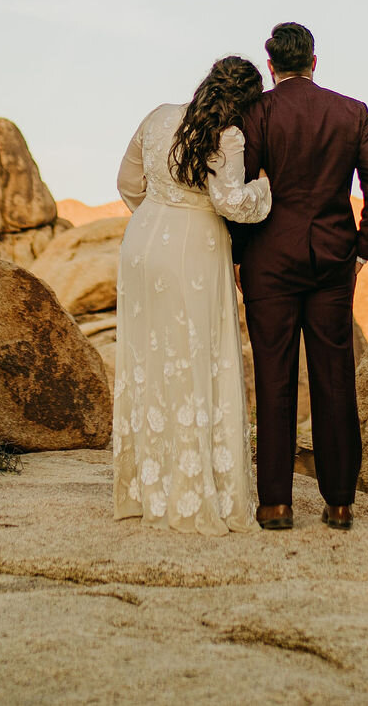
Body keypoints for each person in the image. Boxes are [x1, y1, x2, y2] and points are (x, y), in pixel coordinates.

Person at [235, 21, 368, 531]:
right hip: (332, 262)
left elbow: (240, 189)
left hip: (269, 263)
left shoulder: (258, 112)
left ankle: (275, 504)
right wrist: (362, 248)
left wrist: (239, 256)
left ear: (272, 67)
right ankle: (340, 502)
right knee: (334, 378)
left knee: (273, 379)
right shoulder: (351, 112)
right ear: (314, 62)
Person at [111, 55, 274, 534]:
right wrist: (264, 190)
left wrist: (156, 214)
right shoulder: (229, 136)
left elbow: (126, 182)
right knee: (195, 357)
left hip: (141, 243)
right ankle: (193, 488)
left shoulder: (159, 115)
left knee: (148, 357)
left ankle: (146, 487)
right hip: (195, 248)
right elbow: (231, 202)